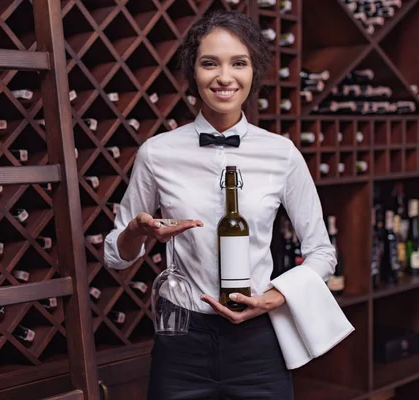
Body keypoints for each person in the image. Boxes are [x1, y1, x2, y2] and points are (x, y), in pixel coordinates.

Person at [103, 9, 340, 400]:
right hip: (181, 341)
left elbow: (321, 252)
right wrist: (136, 232)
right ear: (193, 72)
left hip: (259, 344)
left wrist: (274, 298)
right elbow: (115, 255)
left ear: (254, 72)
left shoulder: (281, 154)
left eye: (239, 63)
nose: (224, 77)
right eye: (209, 63)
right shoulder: (157, 153)